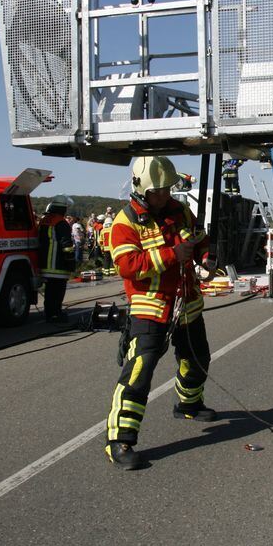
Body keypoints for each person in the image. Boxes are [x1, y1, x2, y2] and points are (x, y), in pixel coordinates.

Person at [104, 156, 218, 470]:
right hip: (150, 307)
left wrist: (206, 256)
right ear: (141, 189)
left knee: (197, 359)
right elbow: (127, 266)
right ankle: (120, 440)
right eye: (158, 191)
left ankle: (188, 404)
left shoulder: (180, 211)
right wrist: (171, 255)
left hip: (187, 304)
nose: (165, 195)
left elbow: (199, 239)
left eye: (168, 189)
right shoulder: (124, 223)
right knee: (139, 373)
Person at [37, 195, 75, 322]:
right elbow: (67, 245)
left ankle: (49, 313)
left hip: (44, 263)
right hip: (57, 264)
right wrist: (70, 261)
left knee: (49, 291)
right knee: (58, 291)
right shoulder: (61, 222)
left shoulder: (45, 220)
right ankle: (56, 314)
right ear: (62, 209)